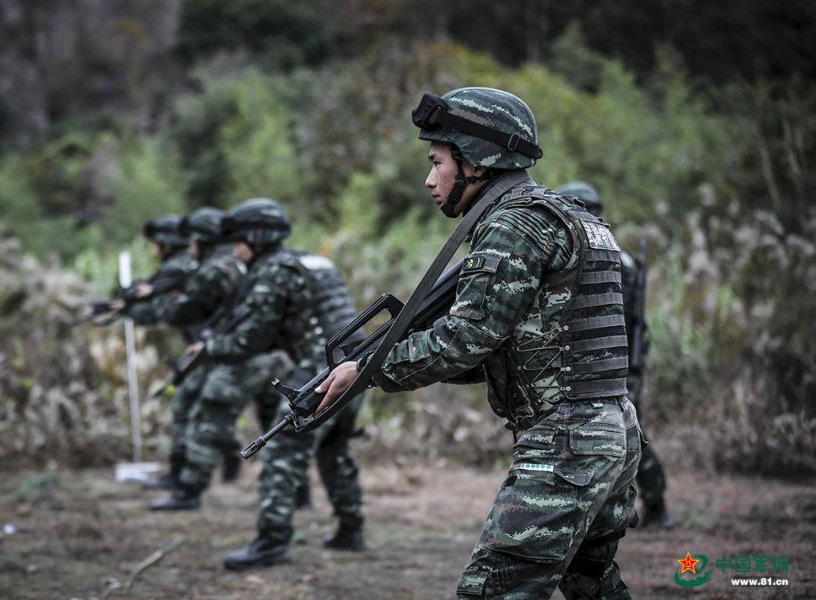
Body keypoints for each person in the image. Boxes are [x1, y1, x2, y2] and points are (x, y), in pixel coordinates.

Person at [316, 88, 641, 599]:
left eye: (437, 162)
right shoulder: (572, 216)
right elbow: (516, 344)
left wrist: (370, 369)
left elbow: (464, 340)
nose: (429, 179)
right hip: (613, 430)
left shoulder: (512, 226)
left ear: (477, 161)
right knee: (592, 585)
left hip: (567, 445)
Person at [201, 198, 366, 570]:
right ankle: (350, 529)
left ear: (258, 238)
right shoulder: (311, 260)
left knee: (283, 450)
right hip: (358, 363)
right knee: (334, 447)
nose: (234, 249)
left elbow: (253, 338)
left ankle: (271, 541)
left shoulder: (274, 270)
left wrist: (211, 348)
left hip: (320, 368)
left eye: (238, 239)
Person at [147, 207, 294, 511]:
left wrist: (211, 347)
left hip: (252, 357)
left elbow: (188, 315)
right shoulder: (257, 267)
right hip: (272, 358)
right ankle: (296, 492)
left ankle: (189, 491)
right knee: (275, 420)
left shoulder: (243, 269)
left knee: (208, 414)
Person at [555, 181, 671, 528]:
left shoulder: (603, 256)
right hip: (612, 358)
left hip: (614, 359)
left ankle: (654, 502)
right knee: (620, 432)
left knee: (629, 434)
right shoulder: (619, 255)